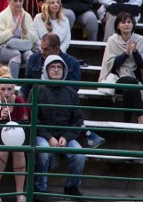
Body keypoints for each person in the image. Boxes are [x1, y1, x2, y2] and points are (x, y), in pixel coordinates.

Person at [31, 55, 86, 200]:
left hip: (65, 135)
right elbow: (33, 119)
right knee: (42, 153)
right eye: (52, 67)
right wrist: (48, 137)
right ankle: (39, 189)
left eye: (59, 67)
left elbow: (77, 119)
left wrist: (65, 137)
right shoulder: (37, 89)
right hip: (43, 135)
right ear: (46, 70)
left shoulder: (71, 92)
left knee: (79, 155)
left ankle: (71, 187)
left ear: (64, 70)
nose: (56, 70)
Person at [99, 12, 143, 125]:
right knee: (129, 83)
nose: (126, 25)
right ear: (118, 25)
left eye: (129, 22)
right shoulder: (112, 40)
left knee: (129, 85)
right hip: (117, 78)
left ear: (133, 24)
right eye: (123, 22)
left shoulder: (140, 39)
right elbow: (110, 66)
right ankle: (140, 117)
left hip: (136, 78)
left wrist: (135, 52)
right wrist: (126, 54)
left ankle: (126, 122)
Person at [0, 66, 30, 202]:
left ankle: (20, 193)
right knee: (3, 151)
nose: (6, 93)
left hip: (17, 138)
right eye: (3, 89)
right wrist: (0, 119)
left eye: (9, 89)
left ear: (14, 89)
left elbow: (25, 124)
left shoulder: (20, 101)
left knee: (19, 151)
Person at [0, 0, 38, 77]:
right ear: (9, 1)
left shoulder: (27, 16)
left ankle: (30, 85)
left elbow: (32, 39)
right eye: (15, 1)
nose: (18, 3)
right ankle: (12, 85)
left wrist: (23, 27)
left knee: (30, 55)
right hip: (1, 47)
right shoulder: (2, 15)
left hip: (21, 48)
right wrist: (14, 28)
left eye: (20, 1)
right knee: (16, 54)